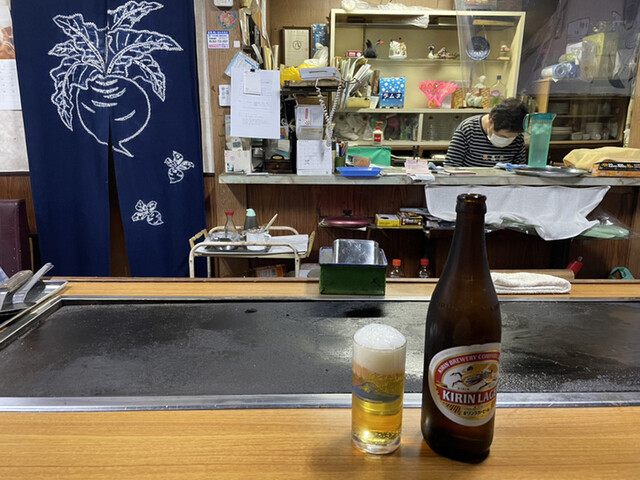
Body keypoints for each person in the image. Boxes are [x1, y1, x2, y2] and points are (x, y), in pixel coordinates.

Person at [445, 98, 528, 167]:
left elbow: (519, 170)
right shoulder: (468, 129)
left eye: (512, 138)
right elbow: (451, 166)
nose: (507, 140)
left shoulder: (518, 137)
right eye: (503, 136)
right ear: (491, 122)